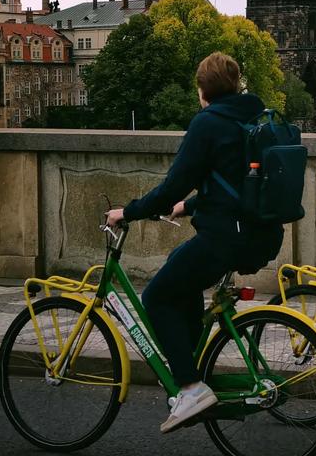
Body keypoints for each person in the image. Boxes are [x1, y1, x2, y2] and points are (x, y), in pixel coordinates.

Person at [105, 52, 284, 433]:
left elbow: (174, 183)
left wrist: (129, 212)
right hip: (260, 233)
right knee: (179, 264)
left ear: (202, 89)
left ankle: (189, 386)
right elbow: (236, 182)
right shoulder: (253, 117)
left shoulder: (208, 123)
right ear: (235, 84)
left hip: (226, 237)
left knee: (157, 296)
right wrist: (188, 206)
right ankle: (189, 358)